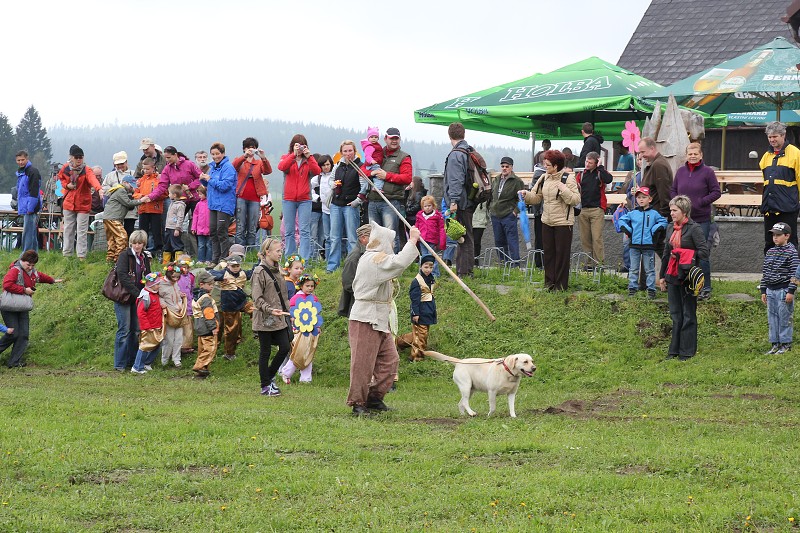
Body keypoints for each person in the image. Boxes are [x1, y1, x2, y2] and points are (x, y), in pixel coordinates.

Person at [347, 221, 420, 416]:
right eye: (392, 242)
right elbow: (398, 263)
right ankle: (358, 403)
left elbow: (395, 263)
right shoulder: (373, 259)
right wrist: (412, 240)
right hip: (365, 317)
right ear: (384, 242)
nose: (393, 246)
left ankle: (374, 398)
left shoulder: (377, 258)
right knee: (362, 363)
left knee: (390, 359)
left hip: (379, 316)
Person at [658, 195, 709, 361]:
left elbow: (704, 252)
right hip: (672, 274)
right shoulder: (670, 228)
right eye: (671, 210)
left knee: (688, 313)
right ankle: (673, 350)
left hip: (688, 276)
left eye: (675, 210)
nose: (671, 213)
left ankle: (687, 351)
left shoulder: (695, 229)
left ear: (684, 211)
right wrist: (662, 276)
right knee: (675, 313)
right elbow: (666, 253)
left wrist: (684, 254)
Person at [521, 150, 580, 291]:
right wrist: (526, 195)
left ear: (556, 165)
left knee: (561, 256)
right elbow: (536, 197)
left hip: (563, 224)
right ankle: (549, 284)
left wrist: (564, 189)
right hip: (546, 221)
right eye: (544, 163)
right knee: (548, 254)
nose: (544, 166)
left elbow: (575, 200)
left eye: (547, 164)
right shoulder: (543, 178)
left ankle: (560, 287)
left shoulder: (568, 178)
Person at [671, 142, 721, 300]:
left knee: (702, 253)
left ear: (701, 155)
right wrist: (675, 203)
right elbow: (673, 189)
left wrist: (701, 202)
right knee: (684, 252)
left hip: (701, 219)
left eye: (695, 154)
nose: (692, 156)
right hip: (683, 220)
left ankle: (705, 287)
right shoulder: (680, 172)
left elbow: (716, 192)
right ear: (686, 155)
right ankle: (687, 284)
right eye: (690, 154)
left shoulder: (708, 172)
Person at [0, 250, 61, 368]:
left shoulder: (32, 272)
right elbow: (7, 285)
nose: (30, 267)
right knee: (13, 333)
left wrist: (52, 280)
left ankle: (14, 362)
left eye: (33, 265)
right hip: (9, 307)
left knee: (23, 334)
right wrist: (24, 290)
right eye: (28, 264)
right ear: (21, 261)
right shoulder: (15, 270)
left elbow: (40, 277)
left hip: (22, 307)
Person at [251, 237, 292, 397]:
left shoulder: (279, 270)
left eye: (281, 250)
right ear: (267, 252)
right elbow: (257, 298)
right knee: (265, 352)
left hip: (279, 318)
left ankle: (268, 376)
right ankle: (265, 385)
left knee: (285, 347)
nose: (280, 253)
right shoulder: (259, 272)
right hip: (264, 319)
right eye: (278, 251)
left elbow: (283, 295)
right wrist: (270, 310)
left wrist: (288, 312)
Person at [367, 127, 413, 250]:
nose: (394, 141)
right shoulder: (375, 153)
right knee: (374, 237)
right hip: (373, 200)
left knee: (391, 236)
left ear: (400, 139)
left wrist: (387, 176)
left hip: (391, 201)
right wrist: (370, 173)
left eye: (396, 138)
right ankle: (376, 265)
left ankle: (392, 265)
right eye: (391, 138)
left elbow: (407, 178)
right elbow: (364, 168)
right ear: (385, 139)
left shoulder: (404, 157)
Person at [617, 187, 667, 298]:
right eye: (639, 197)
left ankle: (651, 289)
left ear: (650, 199)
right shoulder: (633, 213)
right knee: (633, 268)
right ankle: (632, 288)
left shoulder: (654, 213)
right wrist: (628, 229)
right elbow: (621, 220)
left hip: (648, 246)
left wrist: (655, 229)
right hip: (634, 245)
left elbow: (663, 221)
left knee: (649, 269)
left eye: (644, 197)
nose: (641, 199)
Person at [278, 134, 321, 260]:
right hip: (288, 199)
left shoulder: (308, 161)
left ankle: (303, 260)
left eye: (302, 146)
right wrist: (293, 155)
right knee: (289, 231)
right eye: (297, 145)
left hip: (305, 200)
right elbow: (281, 167)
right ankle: (290, 260)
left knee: (304, 231)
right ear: (292, 146)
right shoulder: (286, 158)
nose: (300, 148)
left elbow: (317, 171)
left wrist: (310, 156)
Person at [113, 230, 152, 371]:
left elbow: (148, 276)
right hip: (124, 297)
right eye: (134, 243)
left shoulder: (145, 258)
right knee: (124, 330)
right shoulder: (124, 255)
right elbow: (123, 277)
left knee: (136, 330)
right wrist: (139, 293)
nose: (137, 246)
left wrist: (149, 290)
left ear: (144, 244)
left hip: (138, 298)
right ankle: (119, 364)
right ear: (131, 243)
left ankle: (132, 361)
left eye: (140, 243)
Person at [759, 121, 800, 254]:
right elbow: (766, 183)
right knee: (770, 242)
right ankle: (770, 273)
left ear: (783, 135)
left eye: (775, 136)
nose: (772, 140)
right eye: (769, 137)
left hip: (787, 208)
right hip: (769, 208)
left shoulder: (796, 154)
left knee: (790, 242)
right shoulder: (766, 156)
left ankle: (793, 274)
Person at [58, 145, 103, 259]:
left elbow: (93, 179)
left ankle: (81, 256)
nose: (79, 159)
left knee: (81, 231)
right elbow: (61, 179)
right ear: (71, 157)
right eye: (76, 157)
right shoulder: (65, 168)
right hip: (69, 203)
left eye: (81, 157)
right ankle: (67, 255)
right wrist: (66, 185)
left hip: (83, 204)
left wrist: (99, 189)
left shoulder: (87, 169)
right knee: (68, 229)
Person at [760, 222, 799, 355]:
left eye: (778, 235)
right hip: (770, 290)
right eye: (773, 235)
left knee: (785, 317)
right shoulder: (770, 252)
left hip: (783, 290)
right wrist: (763, 290)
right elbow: (765, 272)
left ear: (787, 236)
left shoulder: (792, 252)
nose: (775, 238)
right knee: (772, 318)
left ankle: (785, 344)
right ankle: (775, 343)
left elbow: (795, 274)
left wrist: (791, 291)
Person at [443, 122, 476, 276]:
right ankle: (466, 271)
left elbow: (456, 180)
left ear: (450, 135)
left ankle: (464, 273)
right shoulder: (468, 150)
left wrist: (454, 201)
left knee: (463, 237)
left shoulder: (456, 154)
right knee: (467, 235)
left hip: (460, 202)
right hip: (468, 199)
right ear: (463, 134)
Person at [280, 273, 323, 384]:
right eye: (307, 286)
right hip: (298, 331)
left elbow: (316, 314)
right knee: (299, 352)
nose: (310, 288)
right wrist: (293, 320)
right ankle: (286, 372)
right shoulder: (296, 298)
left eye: (312, 286)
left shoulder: (314, 298)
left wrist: (317, 326)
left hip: (311, 331)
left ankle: (305, 378)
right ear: (301, 286)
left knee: (309, 352)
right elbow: (292, 312)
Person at [326, 141, 362, 273]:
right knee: (334, 237)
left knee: (352, 238)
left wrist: (357, 201)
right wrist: (333, 185)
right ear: (341, 152)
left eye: (350, 151)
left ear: (355, 151)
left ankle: (351, 267)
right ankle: (332, 267)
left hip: (351, 205)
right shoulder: (337, 165)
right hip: (336, 204)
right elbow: (331, 179)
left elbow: (364, 186)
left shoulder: (359, 166)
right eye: (345, 151)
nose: (348, 154)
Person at [210, 255, 254, 361]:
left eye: (237, 265)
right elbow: (210, 273)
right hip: (229, 306)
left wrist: (262, 259)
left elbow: (255, 270)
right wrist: (220, 278)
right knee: (231, 329)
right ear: (228, 265)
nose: (235, 268)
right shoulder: (223, 273)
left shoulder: (243, 273)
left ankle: (258, 330)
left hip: (242, 302)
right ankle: (229, 353)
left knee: (256, 308)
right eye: (233, 266)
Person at [395, 254, 437, 362]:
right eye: (426, 267)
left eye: (431, 267)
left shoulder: (431, 279)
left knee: (420, 333)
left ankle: (399, 342)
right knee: (421, 334)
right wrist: (415, 313)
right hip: (421, 311)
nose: (428, 270)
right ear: (421, 266)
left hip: (429, 310)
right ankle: (417, 356)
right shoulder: (416, 282)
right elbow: (414, 299)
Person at [232, 137, 271, 247]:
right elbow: (234, 166)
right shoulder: (240, 161)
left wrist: (263, 158)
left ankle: (250, 251)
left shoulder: (258, 163)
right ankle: (239, 251)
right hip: (241, 197)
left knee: (252, 226)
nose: (251, 150)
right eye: (248, 148)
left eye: (253, 148)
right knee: (240, 225)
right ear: (244, 149)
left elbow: (268, 171)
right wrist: (244, 156)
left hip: (255, 198)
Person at [639, 136, 674, 259]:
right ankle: (670, 275)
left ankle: (671, 274)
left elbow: (664, 192)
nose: (641, 155)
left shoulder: (658, 165)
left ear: (652, 148)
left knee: (651, 248)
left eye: (643, 152)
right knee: (655, 247)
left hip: (657, 215)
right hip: (654, 214)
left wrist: (664, 215)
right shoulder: (655, 164)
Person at [578, 151, 613, 265]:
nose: (587, 164)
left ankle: (599, 263)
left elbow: (608, 179)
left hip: (597, 210)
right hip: (583, 209)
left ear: (596, 163)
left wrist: (601, 167)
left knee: (597, 238)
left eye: (590, 163)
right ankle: (588, 264)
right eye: (586, 161)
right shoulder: (582, 174)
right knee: (585, 239)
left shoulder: (600, 173)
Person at [490, 156, 525, 266]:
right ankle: (503, 265)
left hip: (508, 215)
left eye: (507, 166)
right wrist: (491, 207)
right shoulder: (496, 179)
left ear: (511, 167)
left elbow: (521, 199)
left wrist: (515, 211)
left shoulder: (517, 181)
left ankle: (515, 265)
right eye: (502, 166)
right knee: (499, 242)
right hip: (496, 215)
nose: (504, 168)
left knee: (512, 241)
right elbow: (492, 195)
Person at [206, 142, 237, 264]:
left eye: (217, 154)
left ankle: (224, 260)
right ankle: (215, 259)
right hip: (213, 204)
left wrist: (210, 180)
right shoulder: (212, 168)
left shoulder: (228, 167)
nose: (215, 156)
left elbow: (225, 186)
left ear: (223, 153)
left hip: (224, 204)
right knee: (213, 232)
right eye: (213, 154)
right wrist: (204, 180)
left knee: (222, 232)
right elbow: (211, 184)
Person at [103, 181, 148, 263]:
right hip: (113, 218)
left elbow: (127, 205)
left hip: (108, 217)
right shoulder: (121, 190)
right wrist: (141, 200)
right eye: (131, 186)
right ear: (125, 182)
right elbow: (128, 203)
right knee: (122, 237)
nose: (132, 188)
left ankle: (110, 259)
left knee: (112, 239)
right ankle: (119, 259)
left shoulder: (118, 190)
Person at [131, 272, 164, 374]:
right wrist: (146, 326)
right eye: (157, 284)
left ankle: (147, 363)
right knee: (145, 346)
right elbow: (141, 313)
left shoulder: (154, 294)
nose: (159, 286)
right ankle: (137, 367)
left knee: (157, 344)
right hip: (148, 326)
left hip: (157, 325)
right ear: (151, 285)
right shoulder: (145, 296)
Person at [102, 151, 139, 235]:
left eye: (122, 163)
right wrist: (116, 190)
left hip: (131, 208)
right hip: (116, 209)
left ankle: (128, 247)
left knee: (129, 230)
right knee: (117, 232)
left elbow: (139, 187)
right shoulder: (110, 176)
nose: (120, 166)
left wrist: (133, 190)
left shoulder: (134, 173)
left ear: (126, 162)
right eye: (117, 164)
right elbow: (104, 189)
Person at [338, 224, 371, 317]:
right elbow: (347, 282)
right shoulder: (354, 257)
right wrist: (364, 294)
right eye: (373, 237)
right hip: (357, 305)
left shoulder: (366, 253)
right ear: (363, 238)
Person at [191, 270, 219, 377]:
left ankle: (203, 371)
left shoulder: (196, 296)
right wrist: (213, 327)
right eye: (210, 284)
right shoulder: (206, 298)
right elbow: (209, 314)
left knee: (202, 349)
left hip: (199, 327)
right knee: (210, 348)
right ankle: (199, 366)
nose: (212, 286)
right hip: (207, 328)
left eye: (213, 284)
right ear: (201, 284)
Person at [159, 262, 187, 368]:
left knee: (179, 339)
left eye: (178, 277)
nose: (175, 278)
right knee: (169, 339)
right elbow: (158, 295)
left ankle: (177, 359)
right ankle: (164, 360)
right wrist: (162, 302)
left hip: (179, 313)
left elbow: (175, 293)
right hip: (169, 314)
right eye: (173, 276)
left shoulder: (175, 283)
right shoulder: (161, 283)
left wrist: (180, 295)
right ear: (168, 273)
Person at [134, 158, 164, 256]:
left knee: (156, 231)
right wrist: (142, 197)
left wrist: (154, 197)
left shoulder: (158, 179)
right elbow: (135, 193)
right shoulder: (141, 180)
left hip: (155, 209)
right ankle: (143, 250)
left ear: (153, 168)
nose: (145, 171)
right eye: (144, 169)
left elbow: (165, 193)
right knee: (143, 231)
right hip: (143, 209)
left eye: (147, 169)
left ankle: (158, 250)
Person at [15, 150, 42, 252]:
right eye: (18, 160)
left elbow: (34, 190)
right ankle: (33, 254)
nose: (21, 162)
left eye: (22, 160)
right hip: (25, 206)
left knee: (28, 232)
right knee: (31, 232)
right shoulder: (21, 173)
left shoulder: (32, 171)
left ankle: (26, 254)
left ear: (27, 159)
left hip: (30, 207)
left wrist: (30, 207)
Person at [310, 154, 334, 260]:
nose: (326, 167)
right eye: (323, 165)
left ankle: (328, 258)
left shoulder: (334, 176)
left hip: (332, 209)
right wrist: (316, 198)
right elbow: (308, 187)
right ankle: (317, 258)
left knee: (328, 236)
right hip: (320, 209)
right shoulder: (317, 178)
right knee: (320, 236)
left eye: (328, 164)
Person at [415, 195, 446, 276]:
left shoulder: (437, 216)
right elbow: (417, 226)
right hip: (422, 240)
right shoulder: (420, 216)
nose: (427, 208)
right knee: (423, 256)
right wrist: (415, 237)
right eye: (425, 206)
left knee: (431, 256)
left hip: (432, 240)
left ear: (433, 206)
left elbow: (441, 229)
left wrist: (442, 242)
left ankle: (435, 274)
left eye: (429, 206)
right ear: (422, 207)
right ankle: (423, 273)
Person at [355, 126, 384, 205]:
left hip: (373, 163)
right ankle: (377, 187)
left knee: (368, 181)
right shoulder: (370, 146)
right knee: (379, 176)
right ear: (368, 138)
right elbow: (367, 156)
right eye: (371, 137)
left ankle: (362, 193)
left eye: (375, 137)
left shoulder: (375, 145)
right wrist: (372, 161)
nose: (374, 139)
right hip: (373, 164)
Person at [162, 185, 187, 264]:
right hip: (168, 227)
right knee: (167, 245)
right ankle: (166, 261)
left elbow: (180, 217)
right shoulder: (172, 203)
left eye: (169, 193)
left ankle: (178, 262)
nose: (168, 195)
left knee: (177, 245)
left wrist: (177, 228)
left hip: (175, 229)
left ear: (174, 195)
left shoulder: (180, 205)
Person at [176, 256, 195, 355]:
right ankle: (180, 346)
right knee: (181, 326)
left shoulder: (191, 276)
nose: (186, 270)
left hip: (188, 304)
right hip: (179, 305)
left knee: (189, 326)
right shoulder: (176, 277)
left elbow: (191, 289)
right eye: (183, 267)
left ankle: (187, 345)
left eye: (187, 267)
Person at [191, 185, 212, 265]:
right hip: (200, 229)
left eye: (201, 194)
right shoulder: (198, 204)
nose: (199, 196)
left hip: (209, 229)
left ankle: (208, 259)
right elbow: (195, 216)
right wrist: (193, 228)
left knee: (209, 245)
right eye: (198, 194)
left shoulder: (210, 203)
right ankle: (200, 259)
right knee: (201, 245)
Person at [472, 200, 490, 266]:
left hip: (480, 220)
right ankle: (469, 262)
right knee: (468, 242)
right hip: (468, 218)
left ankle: (475, 262)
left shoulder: (486, 193)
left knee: (476, 242)